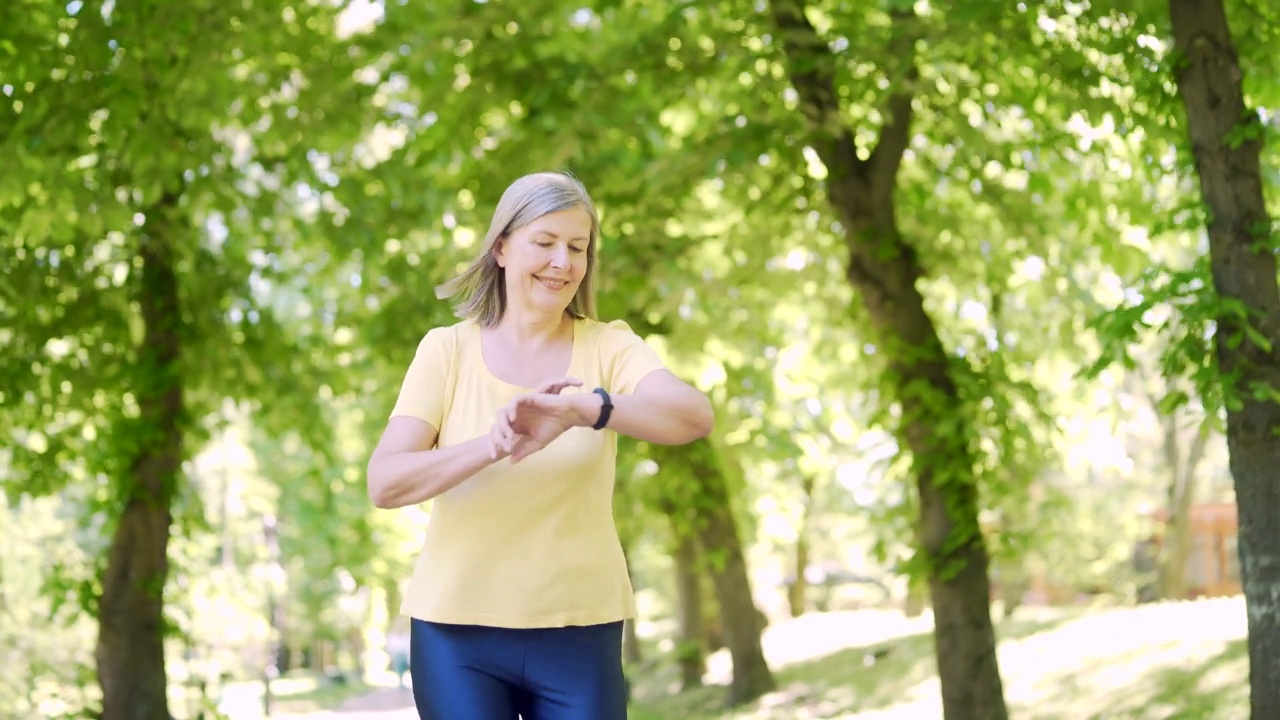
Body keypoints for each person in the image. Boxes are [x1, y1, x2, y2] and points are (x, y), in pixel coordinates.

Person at [366, 171, 715, 720]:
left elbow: (693, 415)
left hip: (579, 630)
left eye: (577, 247)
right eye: (545, 243)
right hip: (458, 635)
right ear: (502, 247)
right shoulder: (446, 352)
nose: (563, 262)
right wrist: (494, 443)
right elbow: (385, 482)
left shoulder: (608, 346)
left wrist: (588, 409)